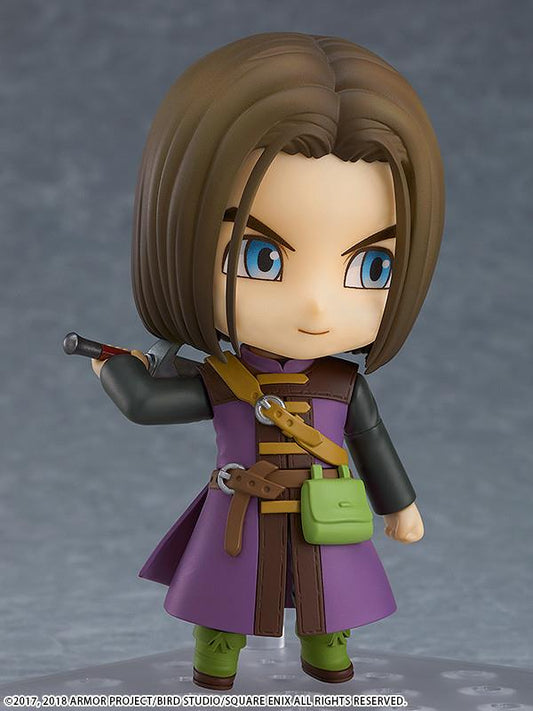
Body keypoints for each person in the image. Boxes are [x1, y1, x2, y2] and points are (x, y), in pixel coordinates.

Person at [91, 32, 445, 690]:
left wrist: (400, 504)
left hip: (324, 513)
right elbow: (149, 403)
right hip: (241, 516)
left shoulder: (342, 383)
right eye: (261, 257)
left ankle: (327, 655)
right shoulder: (223, 380)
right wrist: (116, 369)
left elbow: (373, 444)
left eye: (372, 266)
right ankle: (215, 664)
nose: (316, 306)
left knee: (330, 606)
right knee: (221, 608)